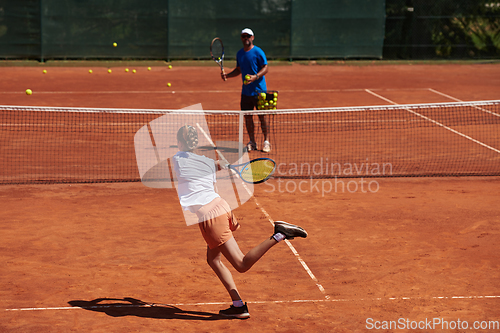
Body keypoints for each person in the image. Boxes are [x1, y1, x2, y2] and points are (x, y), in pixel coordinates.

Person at [172, 125, 307, 319]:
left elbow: (193, 163)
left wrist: (219, 164)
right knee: (213, 259)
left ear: (179, 143)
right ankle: (238, 305)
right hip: (222, 208)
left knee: (241, 264)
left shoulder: (178, 159)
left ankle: (280, 234)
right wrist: (222, 163)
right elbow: (214, 164)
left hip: (210, 218)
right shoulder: (206, 162)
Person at [222, 28, 271, 153]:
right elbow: (238, 70)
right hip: (246, 93)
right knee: (247, 117)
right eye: (244, 36)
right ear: (241, 38)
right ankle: (252, 142)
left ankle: (266, 141)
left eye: (248, 36)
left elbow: (265, 68)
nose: (246, 38)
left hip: (260, 91)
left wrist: (256, 77)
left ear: (252, 37)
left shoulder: (258, 51)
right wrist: (227, 75)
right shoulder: (240, 54)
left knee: (262, 117)